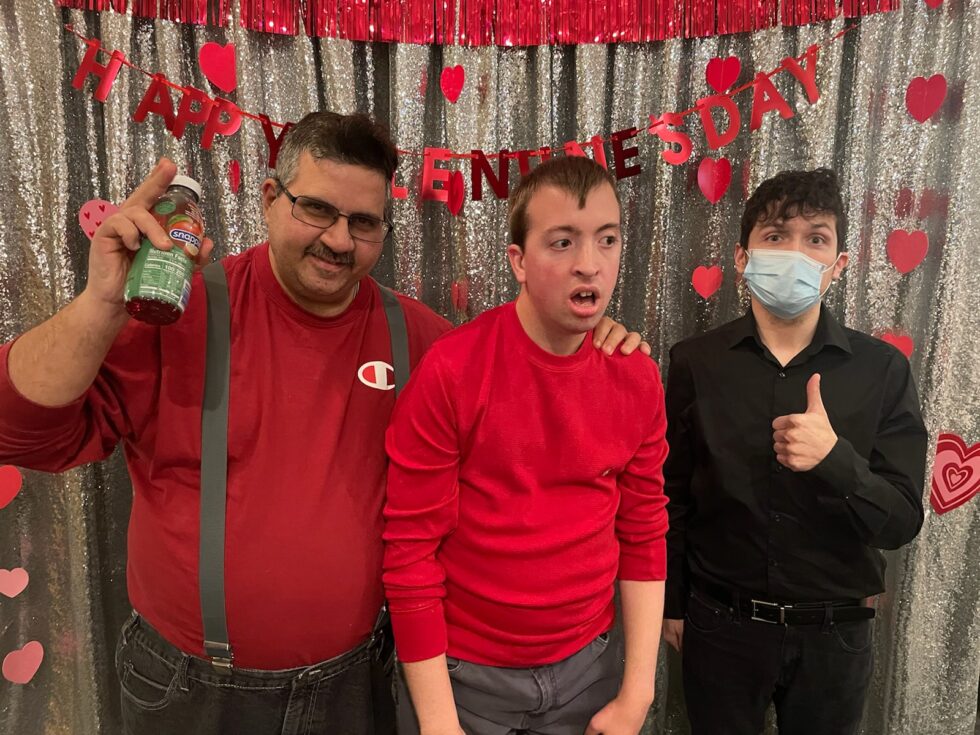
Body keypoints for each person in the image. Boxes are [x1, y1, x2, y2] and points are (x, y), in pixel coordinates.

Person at [0, 112, 645, 735]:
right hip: (192, 689)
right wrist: (100, 305)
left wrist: (593, 339)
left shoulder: (426, 341)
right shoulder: (179, 311)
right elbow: (22, 432)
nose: (339, 240)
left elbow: (528, 403)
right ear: (270, 199)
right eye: (316, 210)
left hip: (358, 684)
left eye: (363, 222)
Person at [382, 155, 669, 735]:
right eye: (562, 242)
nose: (589, 264)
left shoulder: (636, 376)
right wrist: (439, 724)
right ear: (518, 260)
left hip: (591, 669)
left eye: (607, 239)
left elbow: (644, 533)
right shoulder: (453, 370)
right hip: (465, 680)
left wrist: (639, 691)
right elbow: (410, 552)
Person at [661, 168, 928, 735]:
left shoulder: (882, 370)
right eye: (776, 236)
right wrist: (672, 605)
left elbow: (902, 522)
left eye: (816, 239)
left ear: (839, 263)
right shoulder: (695, 362)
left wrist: (836, 461)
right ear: (742, 257)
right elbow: (672, 496)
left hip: (836, 636)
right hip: (720, 625)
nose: (794, 253)